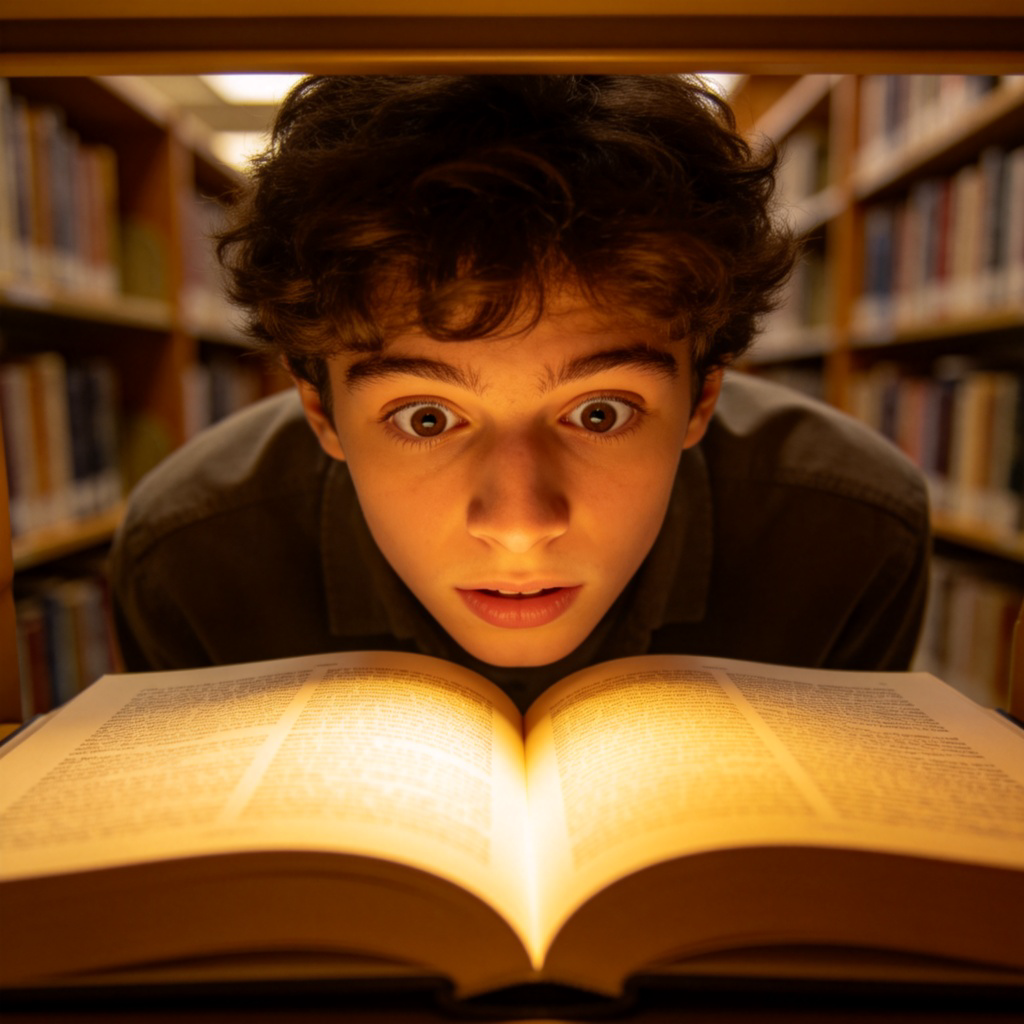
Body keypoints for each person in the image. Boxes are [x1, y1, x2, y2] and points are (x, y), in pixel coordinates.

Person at [111, 75, 929, 712]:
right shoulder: (191, 563)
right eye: (425, 418)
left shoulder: (849, 537)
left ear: (702, 396)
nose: (518, 526)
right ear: (320, 410)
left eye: (600, 413)